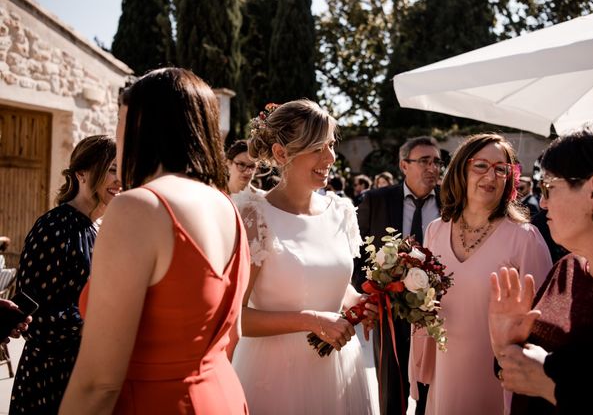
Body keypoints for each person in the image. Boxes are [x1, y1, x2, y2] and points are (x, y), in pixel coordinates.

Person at [60, 68, 250, 414]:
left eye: (120, 122)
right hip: (222, 396)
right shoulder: (226, 206)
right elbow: (232, 335)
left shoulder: (138, 208)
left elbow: (98, 382)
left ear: (140, 126)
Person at [232, 99, 375, 414]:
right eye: (317, 148)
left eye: (331, 145)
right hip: (274, 377)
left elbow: (335, 284)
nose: (330, 157)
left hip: (338, 371)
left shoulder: (341, 211)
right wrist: (309, 320)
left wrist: (362, 304)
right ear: (282, 153)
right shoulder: (254, 216)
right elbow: (234, 316)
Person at [488, 122, 593, 414]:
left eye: (548, 187)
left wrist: (552, 385)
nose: (542, 203)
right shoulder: (566, 270)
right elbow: (514, 372)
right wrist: (505, 343)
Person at [409, 133, 552, 415]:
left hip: (498, 376)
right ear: (462, 169)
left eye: (501, 169)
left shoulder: (524, 238)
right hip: (445, 367)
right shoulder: (435, 231)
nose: (492, 175)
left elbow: (544, 323)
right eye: (481, 165)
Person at [9, 135, 120, 414]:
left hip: (93, 373)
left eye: (124, 169)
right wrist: (97, 324)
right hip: (52, 377)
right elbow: (33, 314)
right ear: (81, 173)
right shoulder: (53, 227)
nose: (120, 179)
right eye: (112, 169)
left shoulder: (107, 229)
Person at [356, 135, 442, 415]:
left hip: (436, 314)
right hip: (389, 313)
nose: (433, 168)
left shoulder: (451, 203)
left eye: (437, 162)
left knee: (431, 390)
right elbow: (357, 254)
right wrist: (370, 293)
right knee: (392, 392)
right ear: (404, 165)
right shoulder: (376, 200)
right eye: (425, 161)